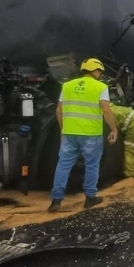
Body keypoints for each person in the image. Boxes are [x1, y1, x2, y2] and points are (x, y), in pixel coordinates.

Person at [49, 58, 118, 212]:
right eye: (100, 71)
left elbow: (59, 110)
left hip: (69, 133)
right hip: (90, 134)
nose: (100, 74)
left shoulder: (67, 86)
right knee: (91, 165)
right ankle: (90, 198)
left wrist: (62, 129)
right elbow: (106, 110)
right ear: (95, 71)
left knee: (63, 165)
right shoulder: (101, 87)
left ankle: (56, 201)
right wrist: (114, 129)